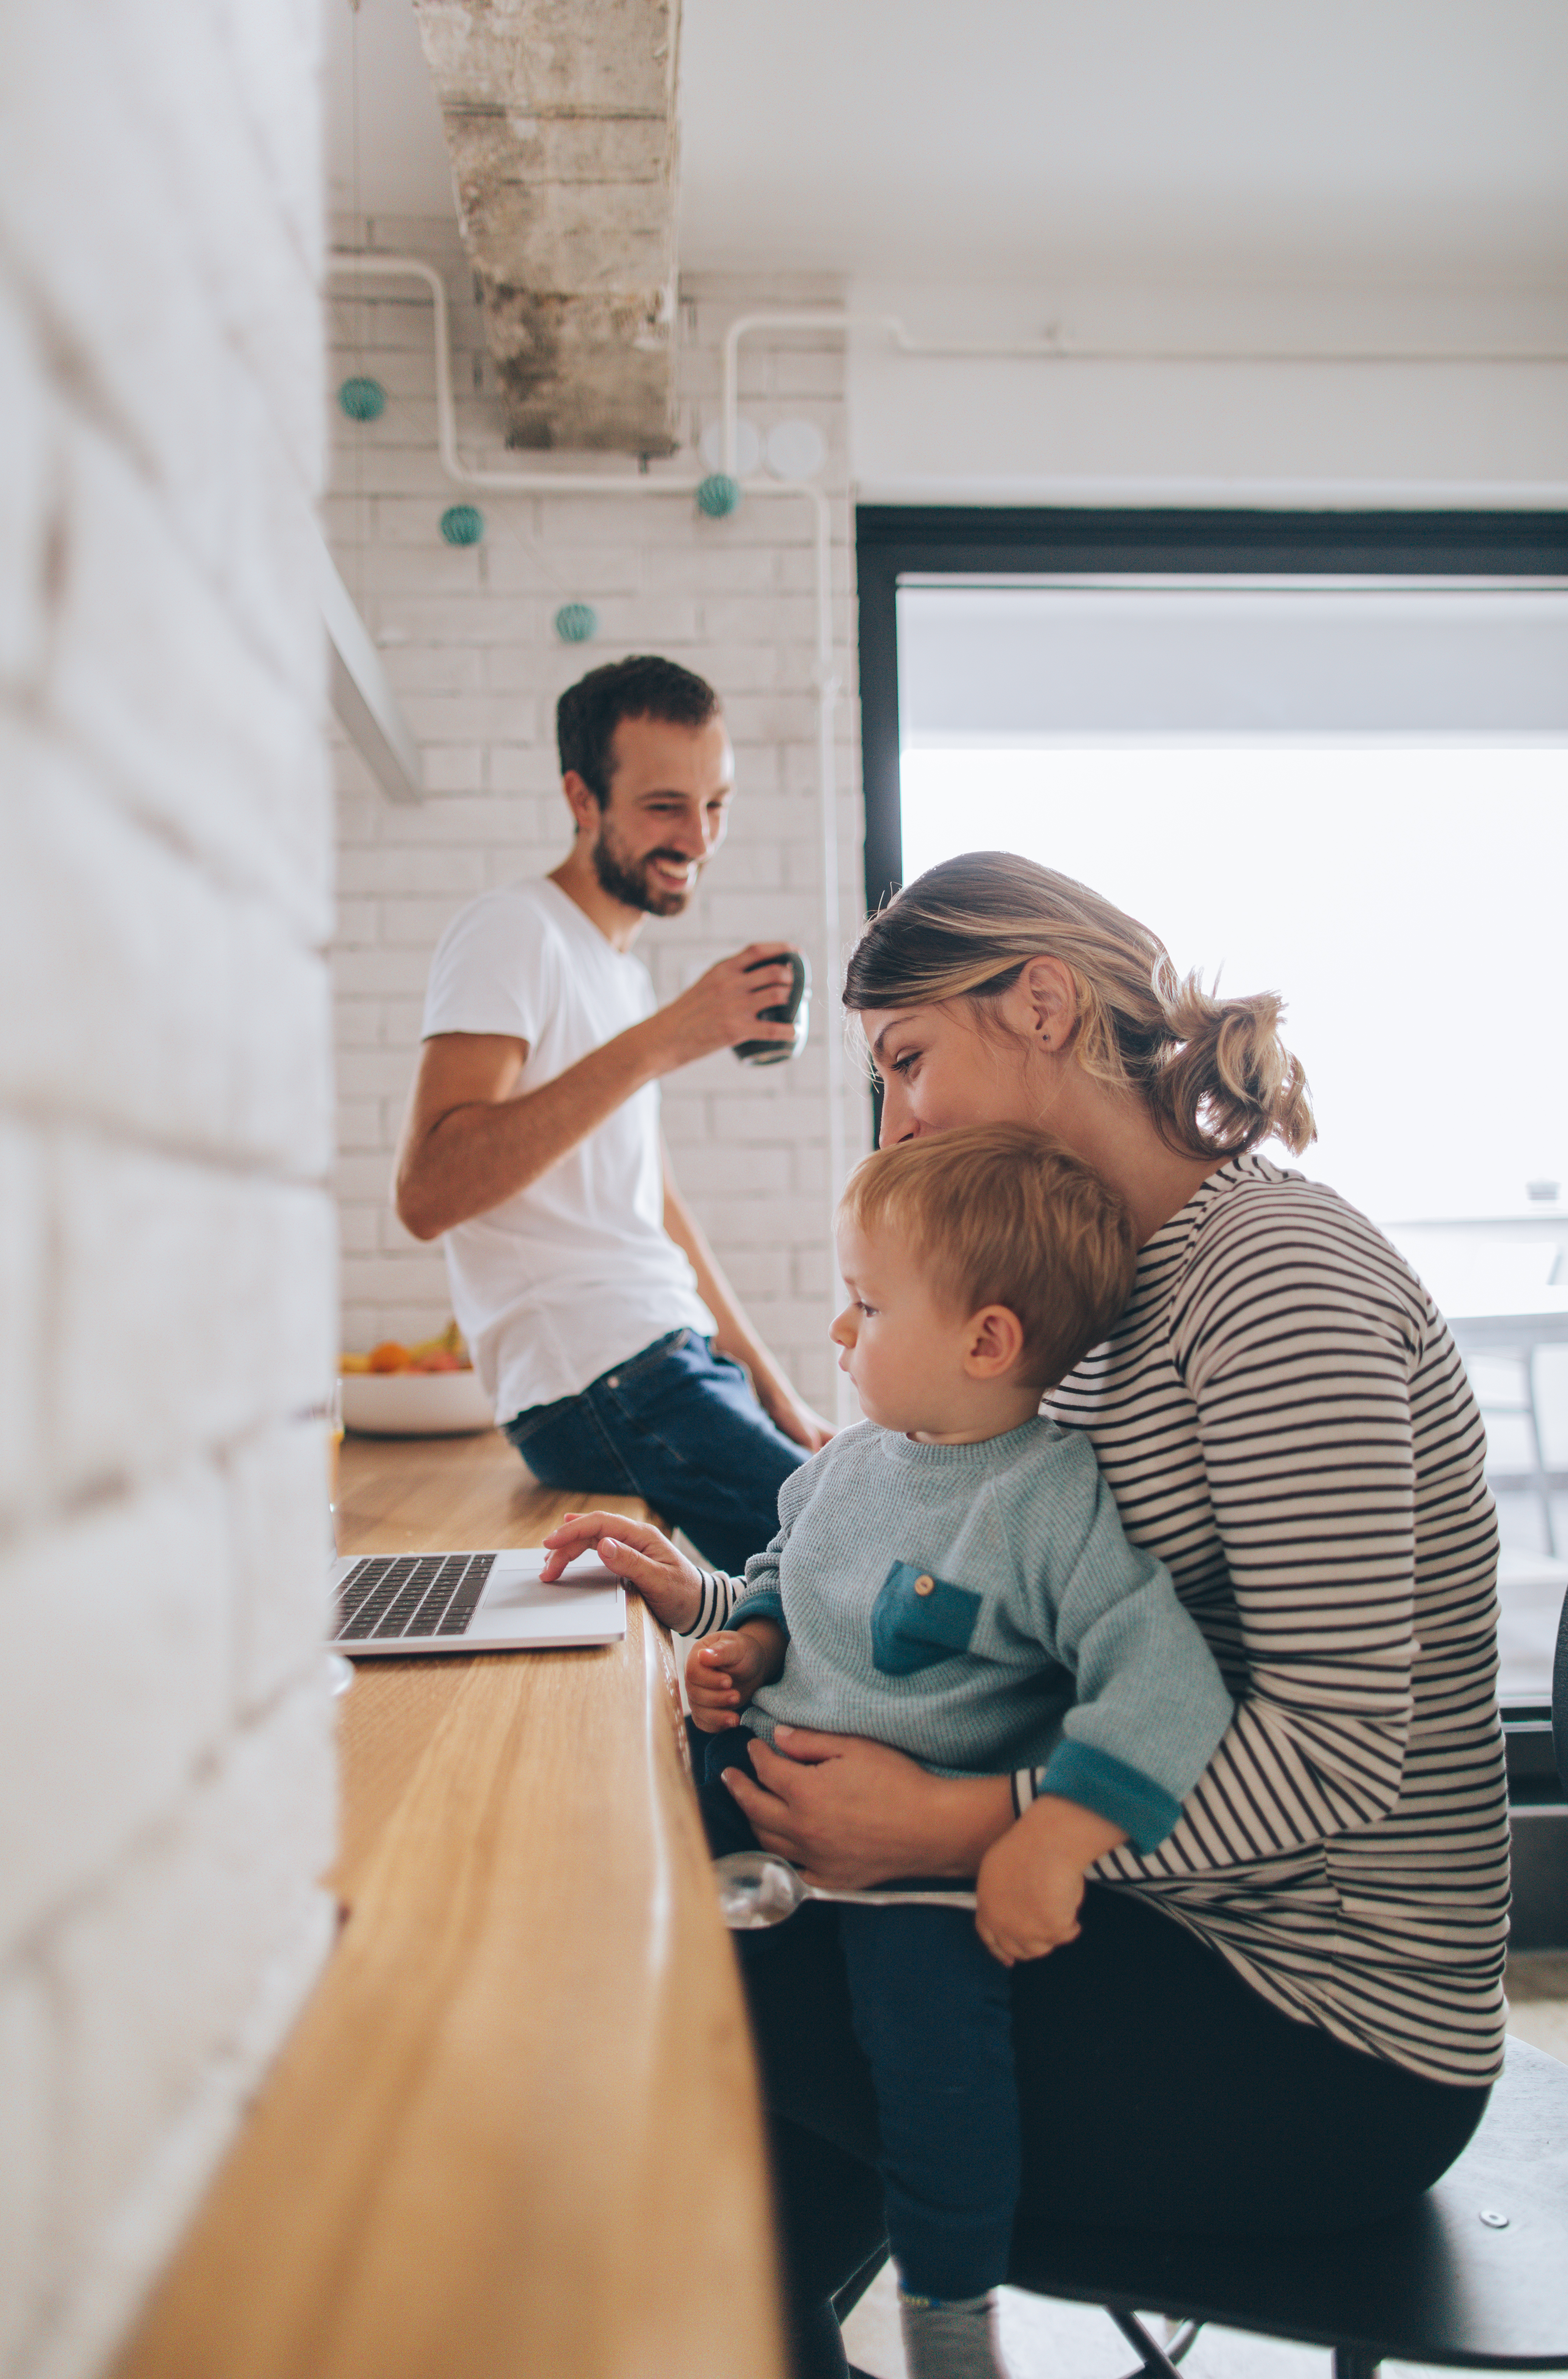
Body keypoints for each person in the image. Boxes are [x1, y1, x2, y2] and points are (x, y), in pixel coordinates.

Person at [545, 851, 1511, 2379]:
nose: (900, 1118)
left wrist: (960, 1824)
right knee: (694, 1906)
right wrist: (730, 1605)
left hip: (1323, 2038)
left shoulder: (1274, 1284)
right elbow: (971, 1612)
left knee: (649, 1962)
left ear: (1043, 1003)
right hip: (1162, 1918)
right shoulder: (1104, 1306)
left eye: (908, 1061)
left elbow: (1337, 1764)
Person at [692, 1125, 1232, 2379]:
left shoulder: (1044, 1502)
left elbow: (1166, 1682)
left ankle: (948, 2321)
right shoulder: (852, 1465)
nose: (839, 1333)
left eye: (867, 1306)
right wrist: (754, 1639)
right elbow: (785, 1575)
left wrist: (1054, 1837)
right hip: (756, 1810)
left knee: (936, 2076)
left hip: (915, 1884)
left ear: (988, 1342)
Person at [392, 655, 831, 1573]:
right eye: (666, 806)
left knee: (848, 1540)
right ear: (582, 799)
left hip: (669, 1359)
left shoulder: (621, 973)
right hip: (598, 1373)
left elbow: (652, 1210)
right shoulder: (514, 930)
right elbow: (430, 1190)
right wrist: (669, 1039)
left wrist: (770, 1383)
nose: (701, 838)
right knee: (854, 1565)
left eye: (718, 805)